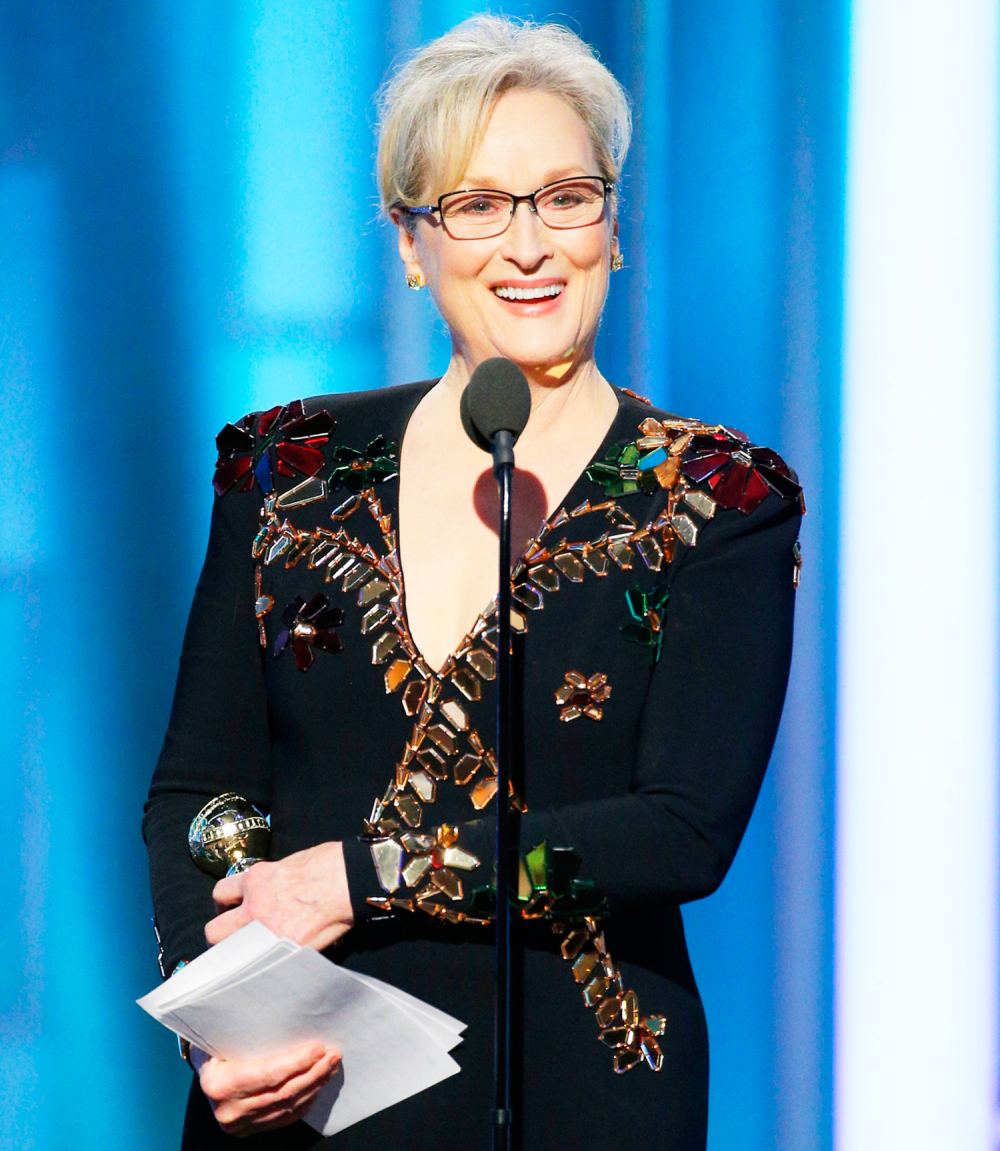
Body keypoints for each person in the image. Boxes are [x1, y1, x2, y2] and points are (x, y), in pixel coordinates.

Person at [144, 14, 803, 1150]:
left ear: (613, 226)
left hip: (575, 1090)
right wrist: (229, 1028)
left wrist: (366, 874)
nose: (528, 245)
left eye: (565, 196)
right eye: (477, 206)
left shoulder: (716, 496)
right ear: (411, 241)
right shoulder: (287, 470)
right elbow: (205, 795)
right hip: (301, 1092)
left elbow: (678, 831)